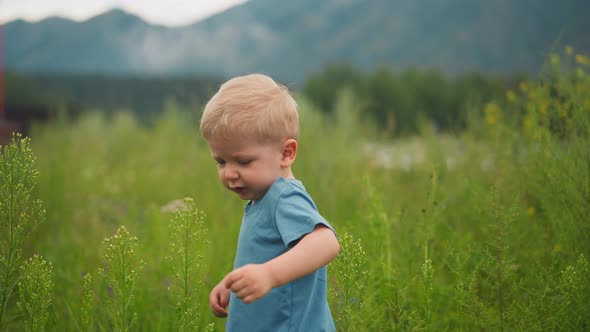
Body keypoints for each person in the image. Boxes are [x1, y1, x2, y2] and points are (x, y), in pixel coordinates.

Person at [200, 73, 340, 331]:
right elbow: (266, 256)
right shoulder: (263, 198)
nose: (229, 173)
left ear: (286, 153)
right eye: (221, 161)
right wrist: (234, 283)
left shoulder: (284, 197)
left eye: (243, 161)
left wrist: (269, 275)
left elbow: (326, 242)